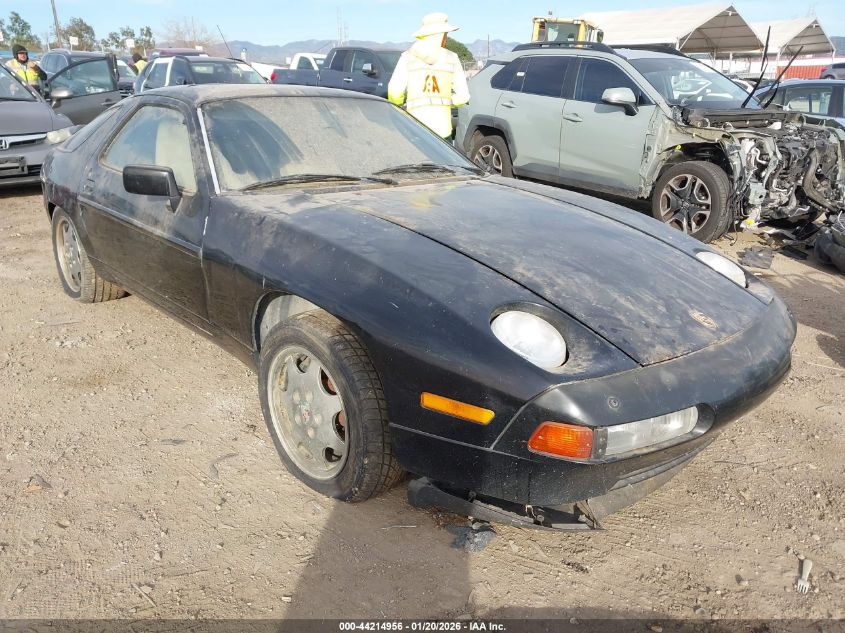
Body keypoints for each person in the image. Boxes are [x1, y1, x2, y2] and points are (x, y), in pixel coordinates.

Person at [388, 12, 469, 139]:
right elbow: (464, 96)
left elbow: (394, 91)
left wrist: (401, 104)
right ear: (439, 35)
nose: (446, 38)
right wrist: (449, 101)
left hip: (415, 128)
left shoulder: (407, 57)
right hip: (443, 132)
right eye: (445, 34)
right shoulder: (451, 58)